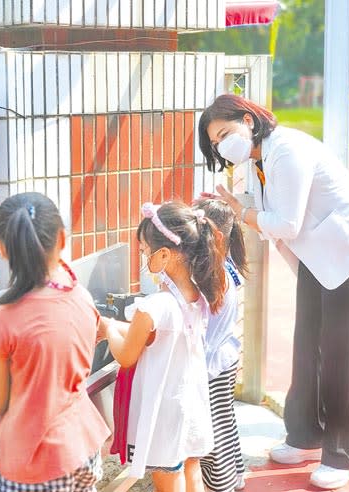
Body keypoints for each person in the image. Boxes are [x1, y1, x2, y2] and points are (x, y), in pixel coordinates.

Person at [198, 94, 349, 490]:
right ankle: (306, 436)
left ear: (248, 120)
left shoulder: (286, 150)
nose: (222, 145)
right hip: (319, 256)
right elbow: (263, 217)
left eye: (224, 133)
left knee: (340, 352)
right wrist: (237, 210)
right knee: (307, 345)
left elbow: (284, 223)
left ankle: (345, 453)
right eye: (215, 143)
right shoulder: (256, 161)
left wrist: (242, 212)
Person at [0, 192, 110, 492]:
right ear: (62, 239)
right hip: (82, 449)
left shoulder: (3, 318)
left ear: (2, 249)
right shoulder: (81, 297)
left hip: (34, 463)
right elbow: (52, 357)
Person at [97, 201, 225, 492]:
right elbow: (158, 338)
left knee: (168, 477)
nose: (143, 257)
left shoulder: (155, 305)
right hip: (191, 401)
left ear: (164, 254)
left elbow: (127, 355)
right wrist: (115, 329)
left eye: (144, 251)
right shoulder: (197, 294)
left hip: (165, 407)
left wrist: (107, 328)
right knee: (191, 470)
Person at [193, 198, 248, 492]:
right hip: (225, 358)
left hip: (211, 365)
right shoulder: (225, 264)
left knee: (211, 433)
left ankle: (221, 484)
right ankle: (235, 475)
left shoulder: (211, 274)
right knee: (224, 421)